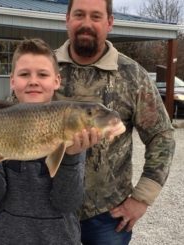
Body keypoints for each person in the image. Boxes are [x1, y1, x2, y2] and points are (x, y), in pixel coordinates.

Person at [0, 38, 122, 244]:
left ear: (56, 81)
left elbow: (66, 202)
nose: (33, 81)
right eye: (24, 74)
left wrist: (71, 157)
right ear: (12, 81)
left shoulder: (73, 136)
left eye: (42, 74)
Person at [54, 0, 176, 244]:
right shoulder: (43, 69)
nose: (86, 23)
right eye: (79, 14)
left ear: (109, 22)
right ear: (67, 19)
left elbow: (161, 135)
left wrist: (141, 198)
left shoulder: (132, 75)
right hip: (48, 210)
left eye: (96, 16)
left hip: (106, 217)